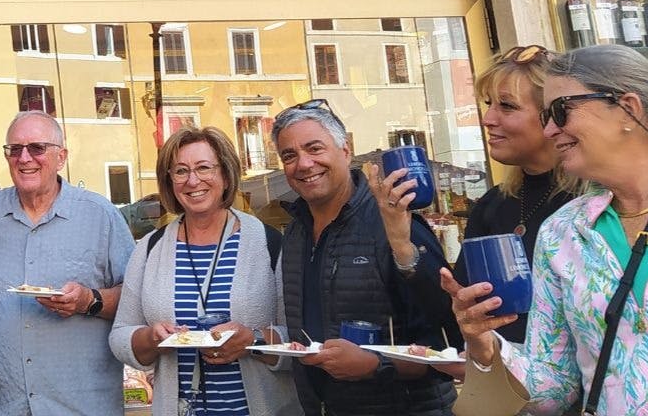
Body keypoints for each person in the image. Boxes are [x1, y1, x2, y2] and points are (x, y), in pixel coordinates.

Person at [444, 44, 648, 416]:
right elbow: (554, 384)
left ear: (628, 110)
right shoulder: (562, 232)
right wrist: (485, 345)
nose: (550, 128)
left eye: (559, 111)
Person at [368, 44, 577, 344]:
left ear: (552, 116)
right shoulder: (493, 205)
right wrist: (401, 240)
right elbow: (454, 315)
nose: (488, 119)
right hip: (507, 385)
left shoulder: (594, 205)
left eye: (507, 106)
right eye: (489, 104)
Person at [0, 110, 135, 416]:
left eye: (37, 148)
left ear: (61, 157)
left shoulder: (100, 215)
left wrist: (89, 301)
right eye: (14, 149)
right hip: (6, 406)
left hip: (82, 406)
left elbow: (136, 298)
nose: (24, 158)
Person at [273, 100, 457, 416]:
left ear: (346, 150)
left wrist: (376, 365)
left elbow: (446, 340)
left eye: (314, 148)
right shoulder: (294, 232)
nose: (303, 164)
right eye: (289, 155)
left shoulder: (393, 218)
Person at [109, 126, 300, 416]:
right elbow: (120, 336)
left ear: (225, 175)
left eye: (203, 168)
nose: (193, 180)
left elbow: (302, 339)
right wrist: (151, 339)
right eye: (181, 171)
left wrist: (253, 340)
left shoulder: (268, 243)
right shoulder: (150, 249)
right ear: (170, 181)